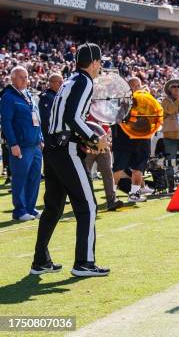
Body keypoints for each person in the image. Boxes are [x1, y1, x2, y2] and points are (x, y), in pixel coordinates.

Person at [33, 42, 111, 277]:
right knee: (88, 205)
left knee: (53, 207)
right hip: (67, 149)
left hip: (55, 148)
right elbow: (73, 117)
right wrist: (93, 138)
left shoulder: (70, 79)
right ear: (95, 62)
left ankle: (40, 260)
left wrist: (86, 139)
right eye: (100, 63)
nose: (100, 68)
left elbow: (66, 118)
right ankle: (84, 263)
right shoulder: (85, 81)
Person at [0, 66, 43, 221]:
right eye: (21, 77)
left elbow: (37, 119)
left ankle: (30, 208)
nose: (25, 80)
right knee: (20, 177)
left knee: (35, 177)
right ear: (12, 79)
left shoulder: (29, 95)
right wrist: (13, 143)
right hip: (21, 145)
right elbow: (6, 122)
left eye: (26, 77)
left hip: (35, 144)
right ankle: (19, 211)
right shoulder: (8, 97)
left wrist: (41, 138)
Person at [111, 77, 151, 202]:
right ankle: (110, 195)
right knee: (118, 168)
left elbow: (155, 115)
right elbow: (118, 119)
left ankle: (134, 194)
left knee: (138, 168)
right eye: (132, 85)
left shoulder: (147, 100)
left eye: (137, 85)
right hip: (123, 139)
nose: (135, 88)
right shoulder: (121, 101)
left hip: (141, 139)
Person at [38, 73, 63, 143]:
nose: (62, 84)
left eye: (62, 81)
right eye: (60, 82)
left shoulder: (58, 95)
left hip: (59, 133)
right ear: (51, 83)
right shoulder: (46, 97)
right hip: (51, 136)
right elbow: (46, 119)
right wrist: (48, 138)